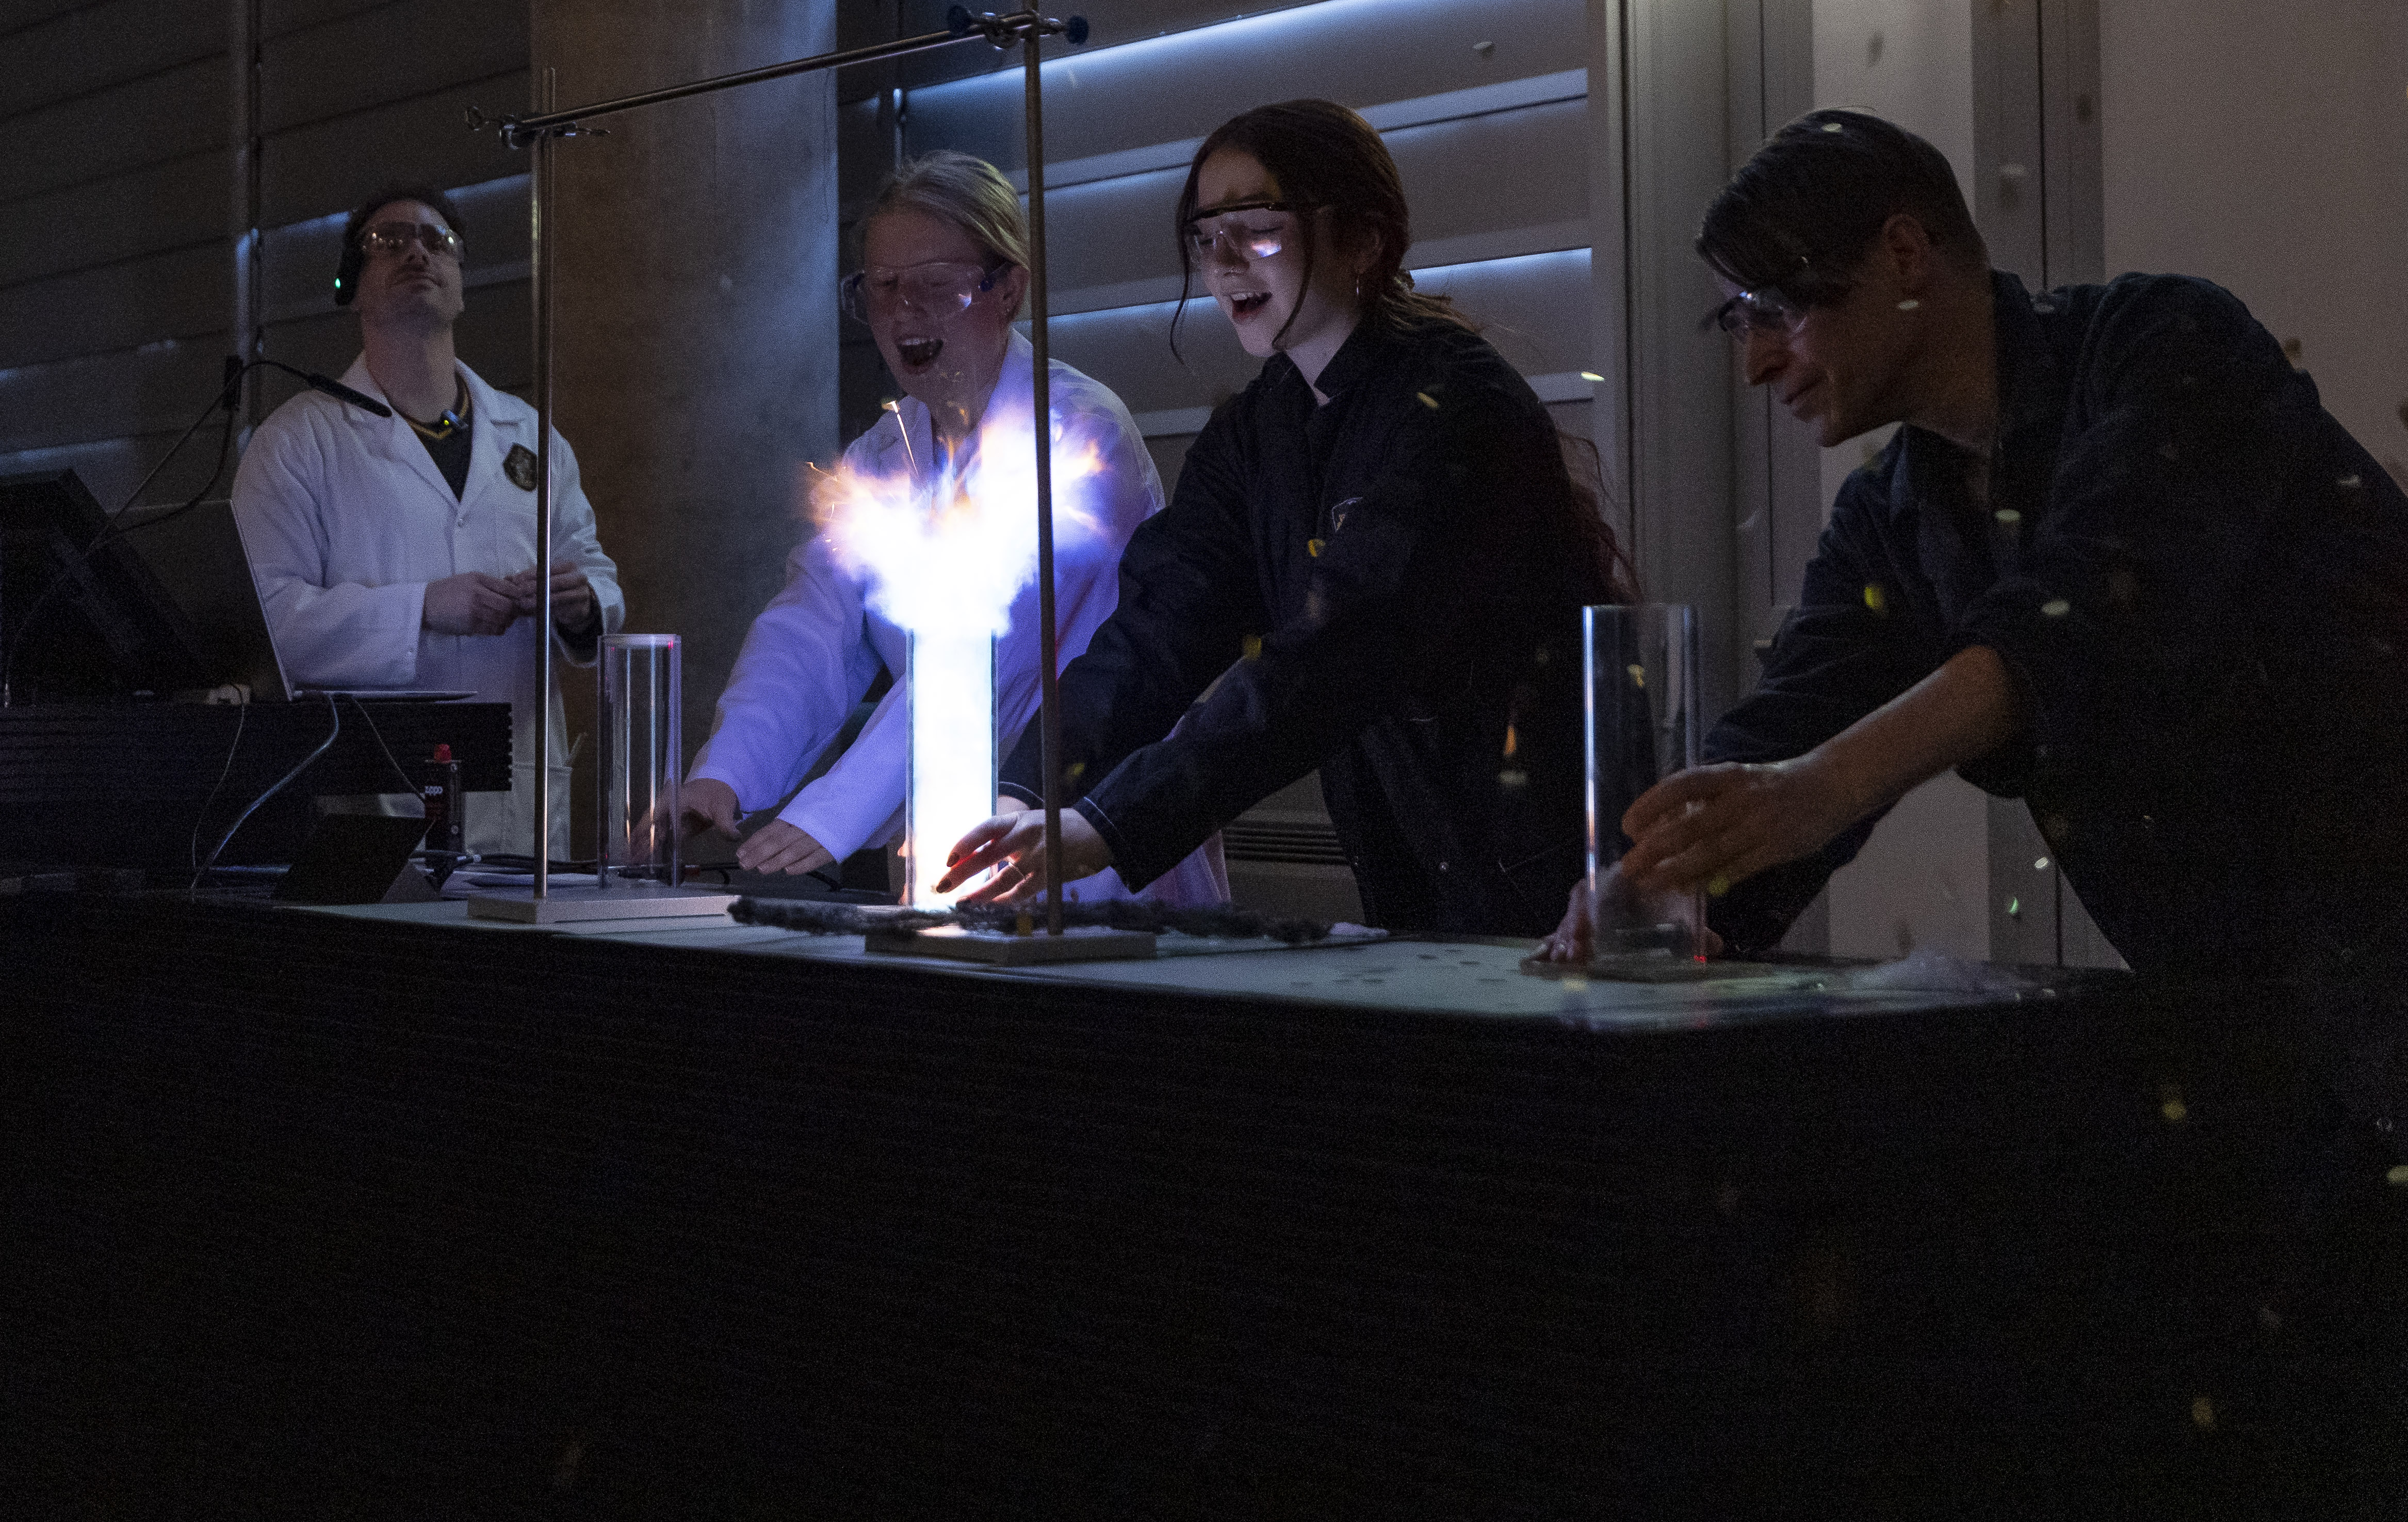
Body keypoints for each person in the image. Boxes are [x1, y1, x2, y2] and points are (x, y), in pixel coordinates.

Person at [1539, 108, 2408, 975]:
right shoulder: (1888, 518)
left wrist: (1819, 787)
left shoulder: (2166, 341)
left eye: (1776, 308)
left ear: (1904, 254)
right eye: (1741, 322)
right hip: (2239, 1000)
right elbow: (1793, 729)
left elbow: (2082, 612)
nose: (1757, 363)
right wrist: (1654, 890)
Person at [939, 99, 1631, 934]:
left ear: (1363, 240)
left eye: (1259, 228)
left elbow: (1342, 650)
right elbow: (1160, 628)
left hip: (1552, 867)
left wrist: (1112, 824)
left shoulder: (1455, 406)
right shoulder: (1257, 431)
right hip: (1411, 867)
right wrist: (1025, 790)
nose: (1224, 260)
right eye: (1205, 235)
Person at [677, 152, 1225, 904]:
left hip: (1084, 830)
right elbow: (812, 625)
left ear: (1010, 290)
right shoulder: (884, 454)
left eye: (937, 286)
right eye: (883, 288)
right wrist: (728, 772)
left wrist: (836, 812)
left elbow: (993, 651)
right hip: (948, 837)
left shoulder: (1073, 432)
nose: (905, 313)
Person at [231, 183, 623, 859]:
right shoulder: (295, 443)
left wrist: (582, 604)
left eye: (437, 241)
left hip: (517, 806)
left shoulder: (531, 437)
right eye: (388, 242)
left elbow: (594, 569)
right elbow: (266, 628)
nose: (417, 252)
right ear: (352, 287)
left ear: (462, 284)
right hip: (374, 796)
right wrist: (421, 610)